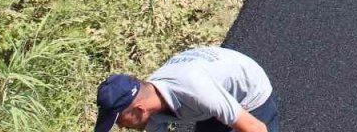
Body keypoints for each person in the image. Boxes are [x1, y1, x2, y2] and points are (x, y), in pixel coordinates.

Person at [93, 47, 280, 132]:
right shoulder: (149, 107)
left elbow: (256, 128)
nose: (121, 127)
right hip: (210, 97)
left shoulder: (195, 90)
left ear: (139, 109)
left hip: (248, 93)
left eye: (120, 120)